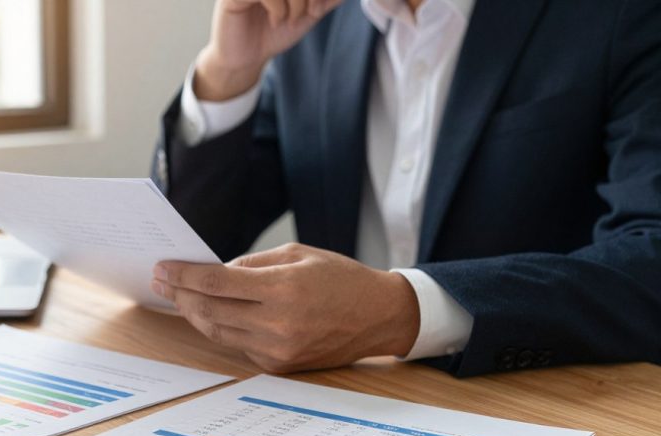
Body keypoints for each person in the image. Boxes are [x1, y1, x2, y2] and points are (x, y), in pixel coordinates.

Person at [148, 0, 661, 377]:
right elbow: (184, 251)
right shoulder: (311, 21)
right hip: (340, 401)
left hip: (542, 407)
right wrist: (230, 70)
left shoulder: (622, 15)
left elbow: (650, 257)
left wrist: (401, 311)